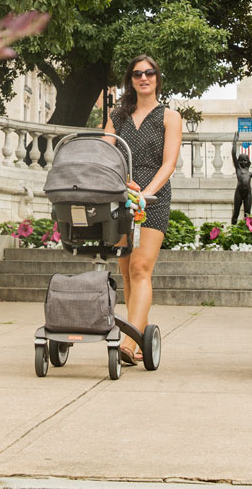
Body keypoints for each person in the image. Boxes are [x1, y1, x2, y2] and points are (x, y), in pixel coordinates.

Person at [104, 54, 182, 366]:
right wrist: (122, 184)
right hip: (121, 196)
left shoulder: (169, 117)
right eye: (137, 73)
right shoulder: (117, 115)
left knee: (140, 269)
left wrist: (146, 193)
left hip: (153, 198)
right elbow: (105, 154)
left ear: (157, 79)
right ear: (131, 79)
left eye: (149, 73)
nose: (144, 78)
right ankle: (140, 341)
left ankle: (129, 340)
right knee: (125, 271)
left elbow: (169, 163)